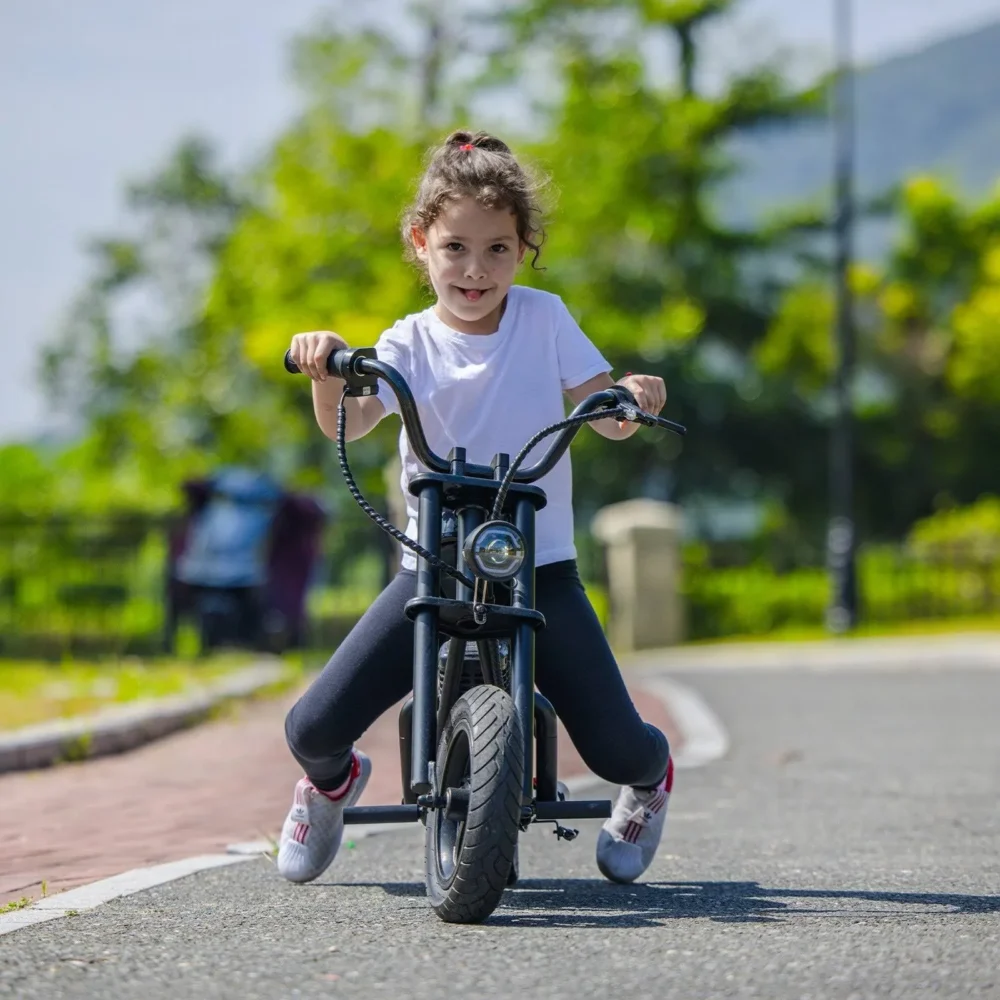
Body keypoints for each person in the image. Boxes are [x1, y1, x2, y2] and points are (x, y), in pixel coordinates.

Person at [277, 129, 674, 887]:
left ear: (525, 249)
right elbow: (353, 421)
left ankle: (652, 784)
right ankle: (330, 785)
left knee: (620, 747)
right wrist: (326, 368)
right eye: (456, 247)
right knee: (311, 728)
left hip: (540, 568)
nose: (475, 269)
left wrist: (631, 396)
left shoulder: (544, 319)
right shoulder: (407, 341)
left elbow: (606, 411)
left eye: (498, 249)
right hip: (428, 570)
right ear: (421, 243)